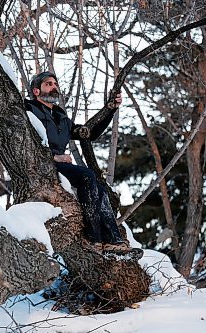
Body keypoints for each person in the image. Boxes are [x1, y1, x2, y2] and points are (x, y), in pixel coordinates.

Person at [25, 71, 142, 257]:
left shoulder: (61, 116)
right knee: (86, 175)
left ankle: (113, 241)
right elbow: (25, 143)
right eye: (48, 84)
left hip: (61, 166)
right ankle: (92, 237)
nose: (54, 86)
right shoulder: (28, 109)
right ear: (36, 91)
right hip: (42, 165)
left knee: (100, 189)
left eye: (55, 83)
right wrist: (52, 157)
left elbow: (89, 134)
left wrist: (111, 109)